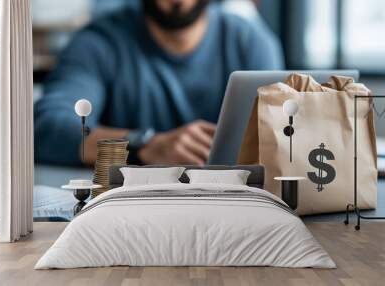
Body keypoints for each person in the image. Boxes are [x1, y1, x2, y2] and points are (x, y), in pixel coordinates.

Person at [34, 0, 284, 166]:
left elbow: (283, 140)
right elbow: (49, 128)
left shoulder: (252, 43)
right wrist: (144, 145)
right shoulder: (98, 43)